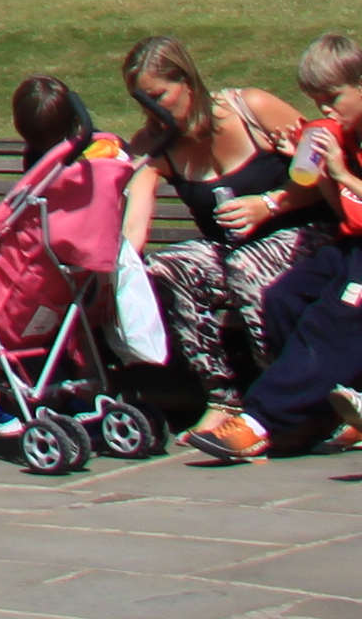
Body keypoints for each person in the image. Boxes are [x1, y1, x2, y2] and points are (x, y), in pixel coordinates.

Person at [186, 33, 362, 463]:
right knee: (284, 297)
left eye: (333, 97)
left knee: (334, 317)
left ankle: (260, 422)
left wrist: (342, 172)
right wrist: (322, 171)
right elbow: (345, 209)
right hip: (353, 244)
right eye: (316, 100)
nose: (325, 109)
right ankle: (322, 415)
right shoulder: (349, 131)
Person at [132, 34, 315, 414]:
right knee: (167, 267)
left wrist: (270, 204)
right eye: (141, 100)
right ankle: (222, 399)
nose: (152, 109)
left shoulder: (251, 109)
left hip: (303, 236)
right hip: (235, 250)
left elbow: (324, 169)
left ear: (187, 81)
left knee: (244, 267)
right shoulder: (154, 145)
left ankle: (277, 403)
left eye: (158, 95)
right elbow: (134, 221)